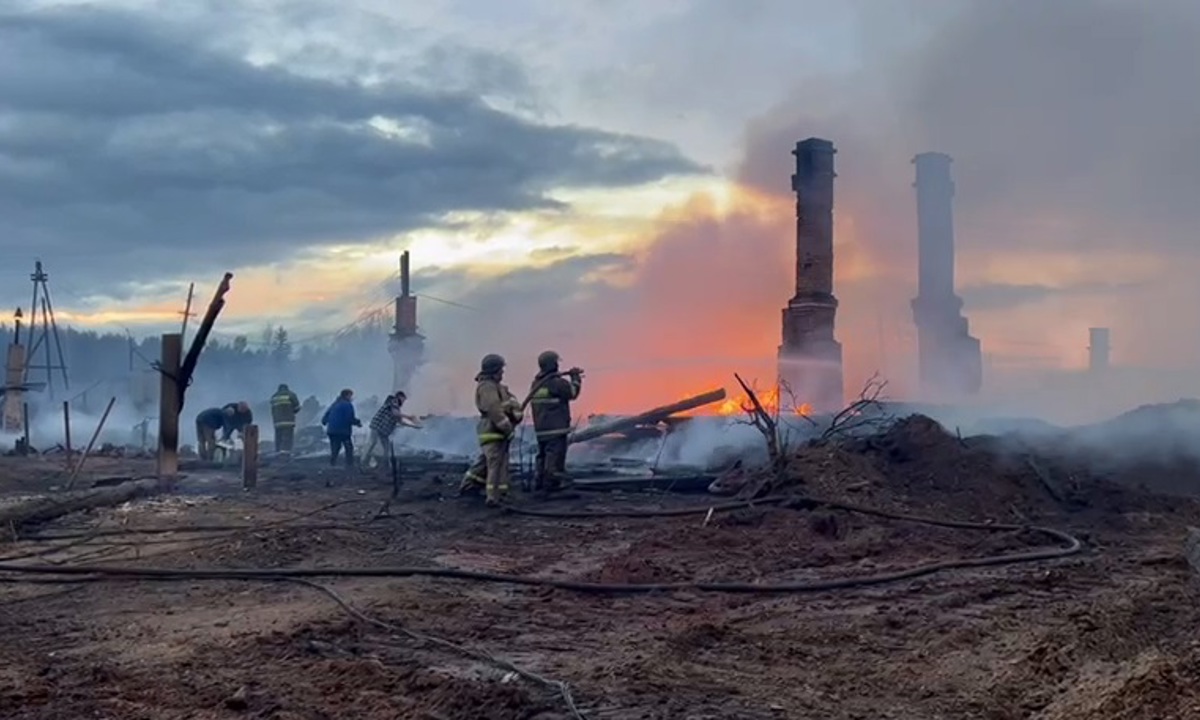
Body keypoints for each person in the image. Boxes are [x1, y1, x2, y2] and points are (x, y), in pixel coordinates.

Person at [459, 354, 523, 507]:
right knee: (495, 464)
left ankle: (473, 486)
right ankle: (492, 498)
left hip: (497, 431)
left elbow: (513, 405)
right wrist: (507, 427)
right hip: (492, 430)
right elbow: (494, 409)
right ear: (494, 370)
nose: (502, 373)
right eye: (501, 370)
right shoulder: (487, 387)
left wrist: (515, 413)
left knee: (492, 462)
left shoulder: (499, 388)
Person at [528, 351, 582, 492]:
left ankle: (539, 483)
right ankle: (551, 486)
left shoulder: (536, 383)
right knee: (555, 459)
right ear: (552, 364)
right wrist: (575, 378)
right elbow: (572, 393)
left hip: (541, 428)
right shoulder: (556, 383)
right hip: (556, 429)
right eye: (556, 362)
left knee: (542, 456)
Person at [363, 391, 410, 468]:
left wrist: (411, 425)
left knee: (386, 447)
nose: (403, 401)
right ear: (400, 397)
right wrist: (409, 417)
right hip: (378, 426)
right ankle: (364, 461)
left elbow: (399, 420)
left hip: (383, 429)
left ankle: (385, 464)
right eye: (403, 399)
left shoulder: (395, 405)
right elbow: (395, 414)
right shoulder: (394, 401)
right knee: (373, 442)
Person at [321, 388, 361, 468]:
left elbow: (325, 416)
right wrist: (358, 423)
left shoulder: (335, 404)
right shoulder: (347, 405)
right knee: (349, 447)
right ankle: (349, 465)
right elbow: (349, 418)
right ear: (346, 396)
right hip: (342, 431)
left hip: (331, 430)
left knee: (335, 447)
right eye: (350, 396)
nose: (351, 398)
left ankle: (332, 463)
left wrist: (325, 422)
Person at [270, 384, 301, 454]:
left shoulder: (274, 397)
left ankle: (277, 452)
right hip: (288, 421)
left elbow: (272, 410)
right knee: (287, 437)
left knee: (278, 437)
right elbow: (297, 408)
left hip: (277, 422)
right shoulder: (291, 395)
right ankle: (286, 453)